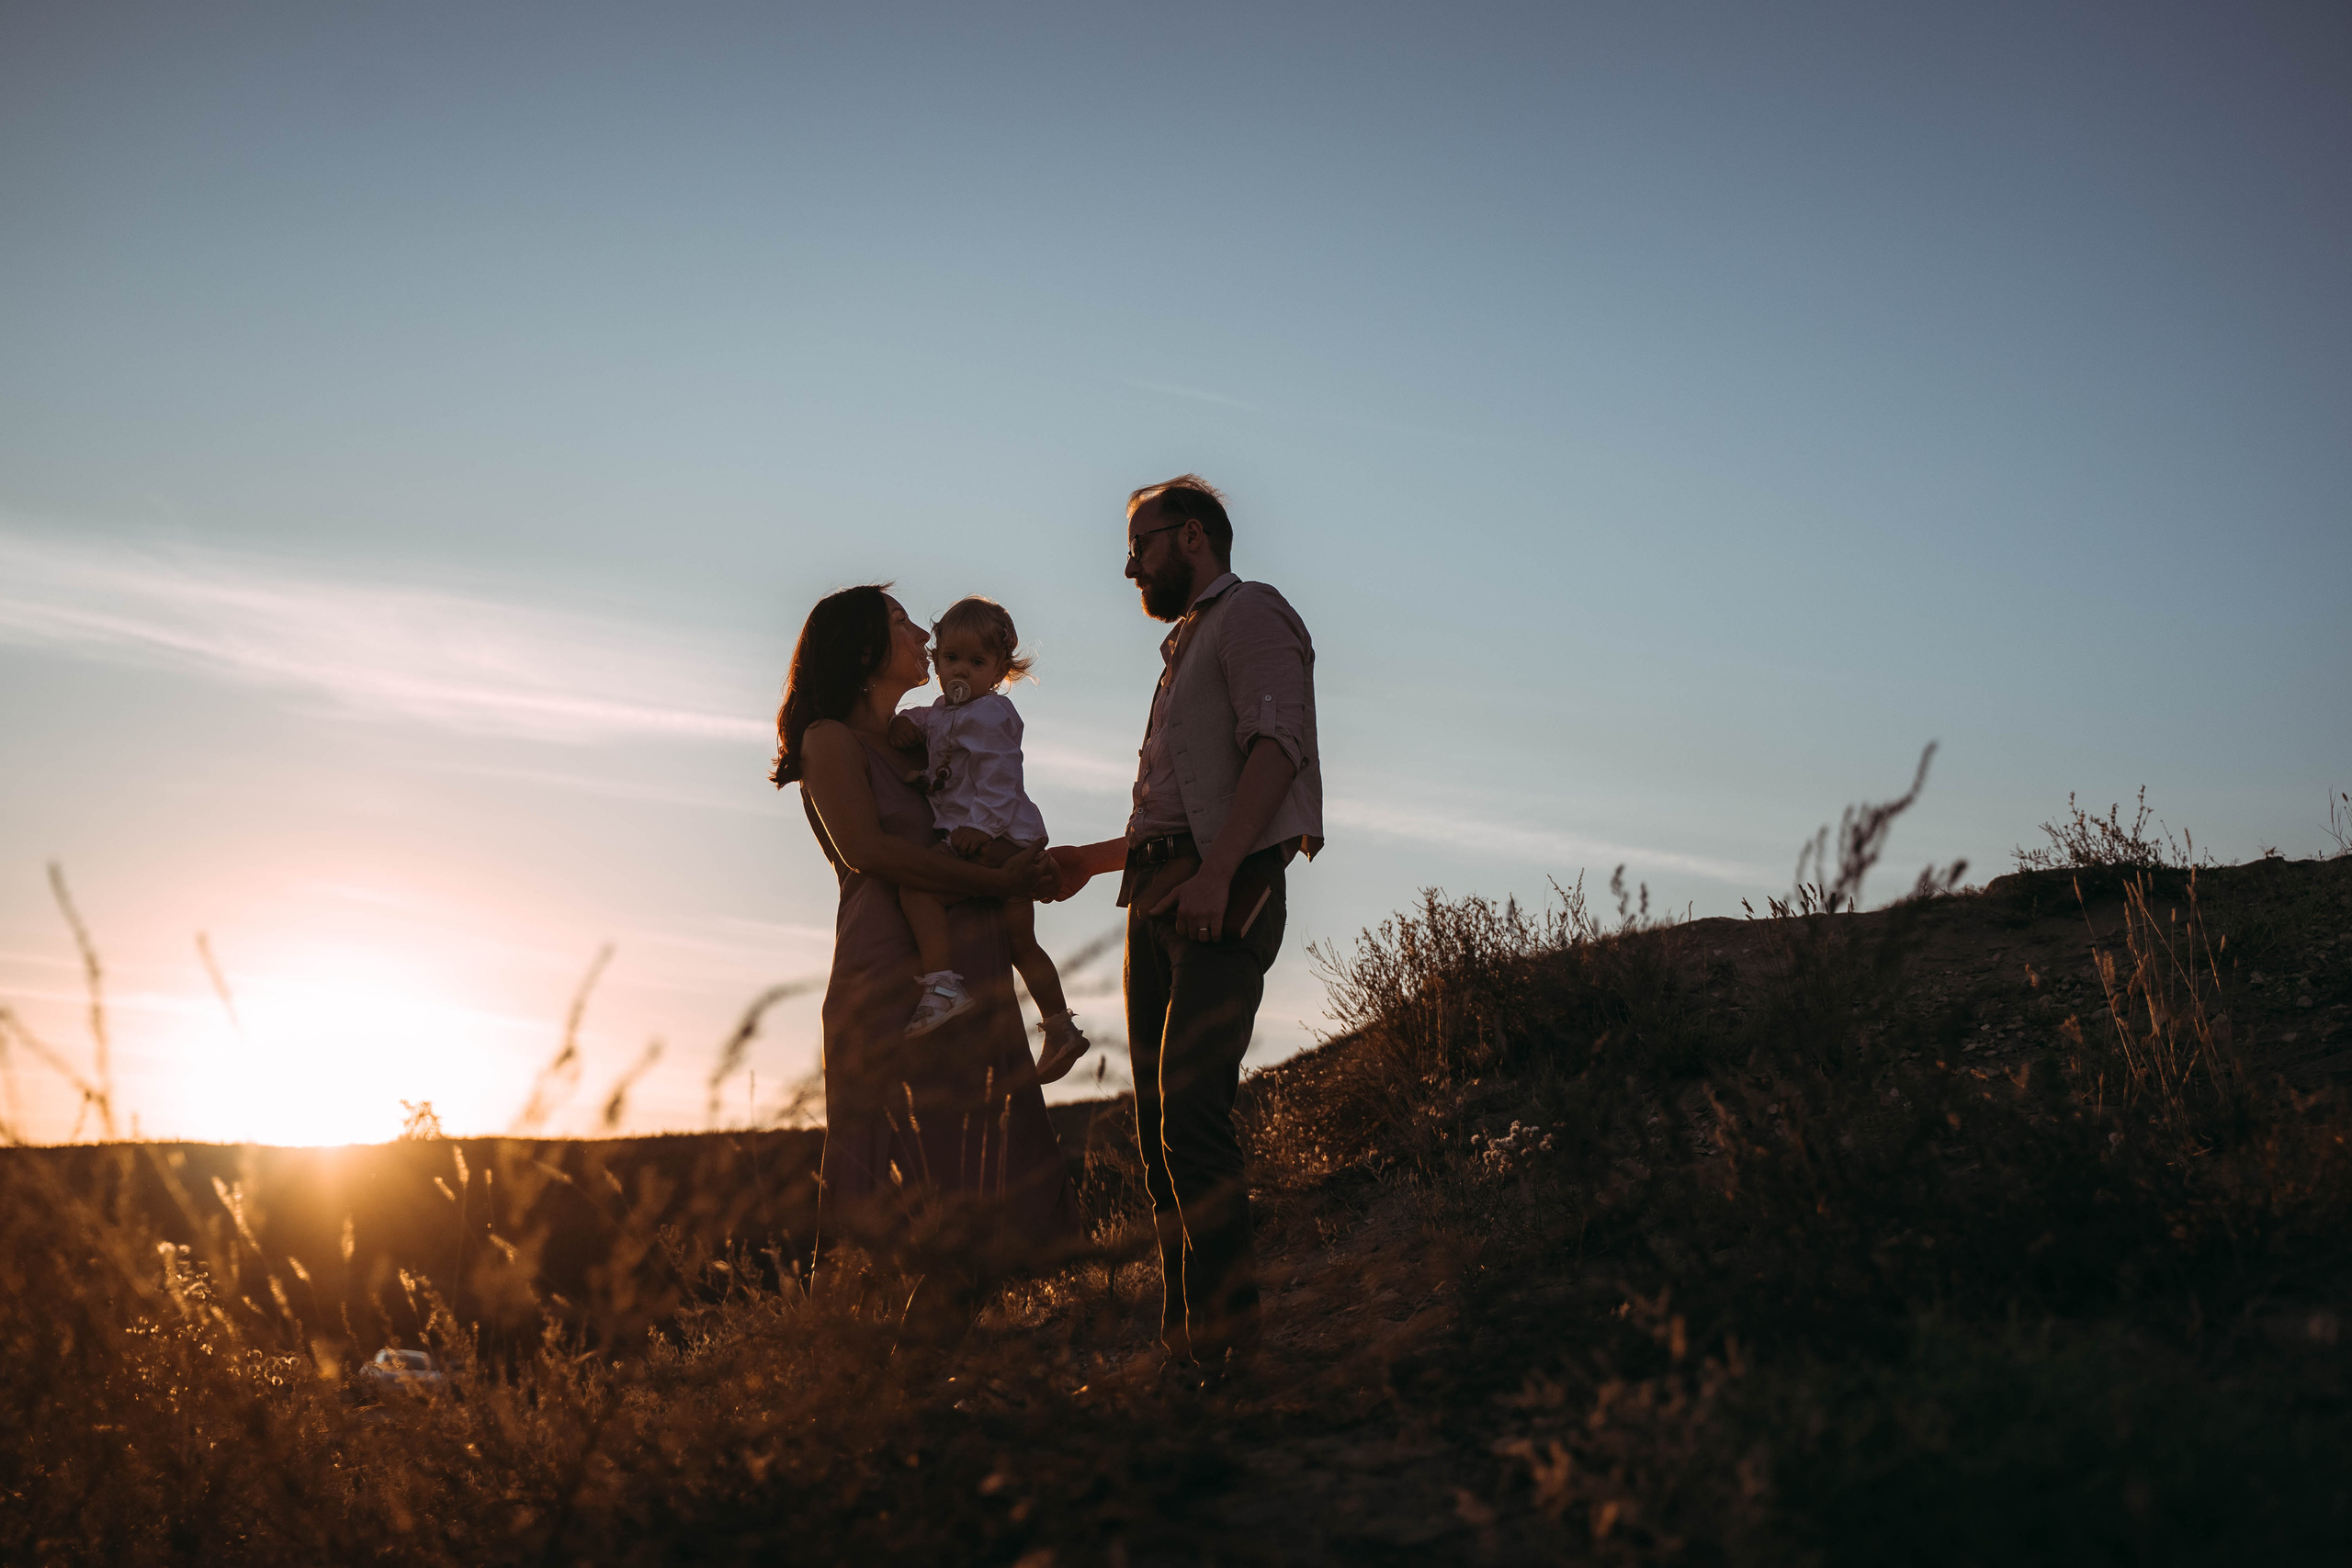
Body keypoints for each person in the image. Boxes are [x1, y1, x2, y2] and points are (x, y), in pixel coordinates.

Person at [1044, 476, 1322, 1386]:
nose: (1130, 565)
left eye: (1141, 544)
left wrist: (1217, 872)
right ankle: (1184, 1350)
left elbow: (1277, 750)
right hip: (1159, 894)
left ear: (1191, 537)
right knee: (1162, 1131)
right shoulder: (1183, 648)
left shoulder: (1251, 615)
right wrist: (1087, 862)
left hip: (1220, 890)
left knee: (1194, 1116)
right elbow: (1169, 808)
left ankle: (1230, 1350)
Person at [771, 584, 1078, 1277]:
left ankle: (948, 1372)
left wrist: (1023, 868)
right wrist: (995, 882)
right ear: (863, 651)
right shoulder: (830, 740)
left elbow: (984, 813)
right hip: (891, 978)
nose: (924, 637)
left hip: (971, 970)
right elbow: (869, 854)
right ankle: (889, 1370)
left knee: (984, 1183)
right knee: (921, 1191)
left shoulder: (928, 735)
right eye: (904, 623)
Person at [887, 596, 1092, 1081]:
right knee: (1021, 942)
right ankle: (1061, 1027)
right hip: (1000, 837)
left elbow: (1001, 777)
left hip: (994, 835)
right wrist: (902, 723)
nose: (962, 671)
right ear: (936, 661)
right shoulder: (940, 713)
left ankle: (942, 985)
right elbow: (925, 723)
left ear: (1000, 671)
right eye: (951, 659)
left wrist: (980, 829)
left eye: (977, 663)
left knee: (917, 888)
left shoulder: (992, 714)